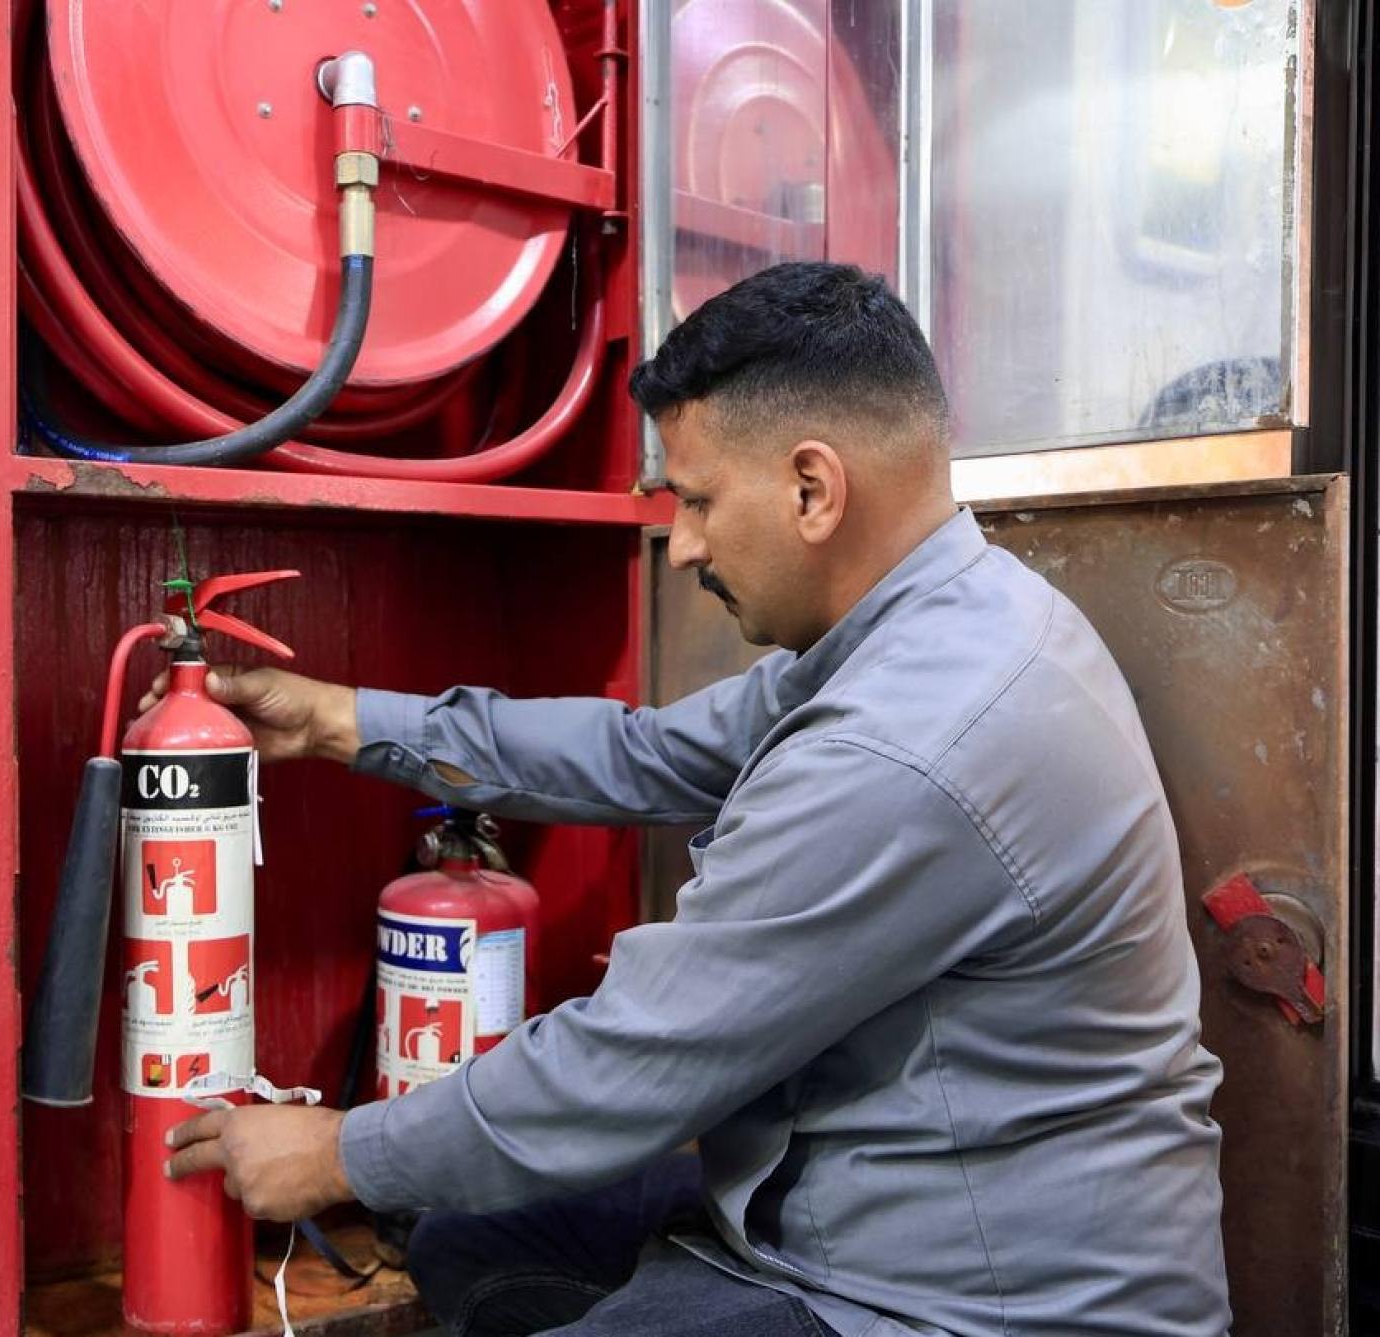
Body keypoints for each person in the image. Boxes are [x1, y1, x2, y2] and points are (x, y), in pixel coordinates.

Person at [160, 262, 1229, 1336]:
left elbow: (632, 1060)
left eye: (700, 500)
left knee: (468, 1196)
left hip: (960, 1302)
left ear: (812, 489)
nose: (683, 546)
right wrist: (342, 721)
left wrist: (339, 1153)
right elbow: (644, 754)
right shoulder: (926, 626)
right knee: (466, 1232)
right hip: (860, 1197)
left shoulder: (907, 742)